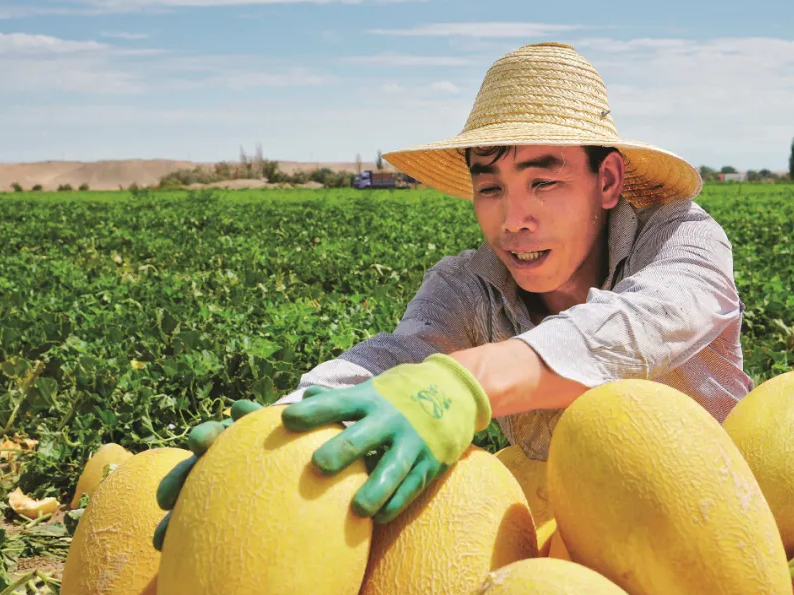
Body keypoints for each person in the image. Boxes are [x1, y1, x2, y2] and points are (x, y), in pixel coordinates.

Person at [152, 41, 752, 550]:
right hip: (573, 532)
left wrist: (462, 384)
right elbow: (389, 362)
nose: (513, 219)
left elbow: (643, 322)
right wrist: (281, 428)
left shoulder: (681, 238)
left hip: (725, 524)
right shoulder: (466, 283)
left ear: (608, 181)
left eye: (544, 182)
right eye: (491, 188)